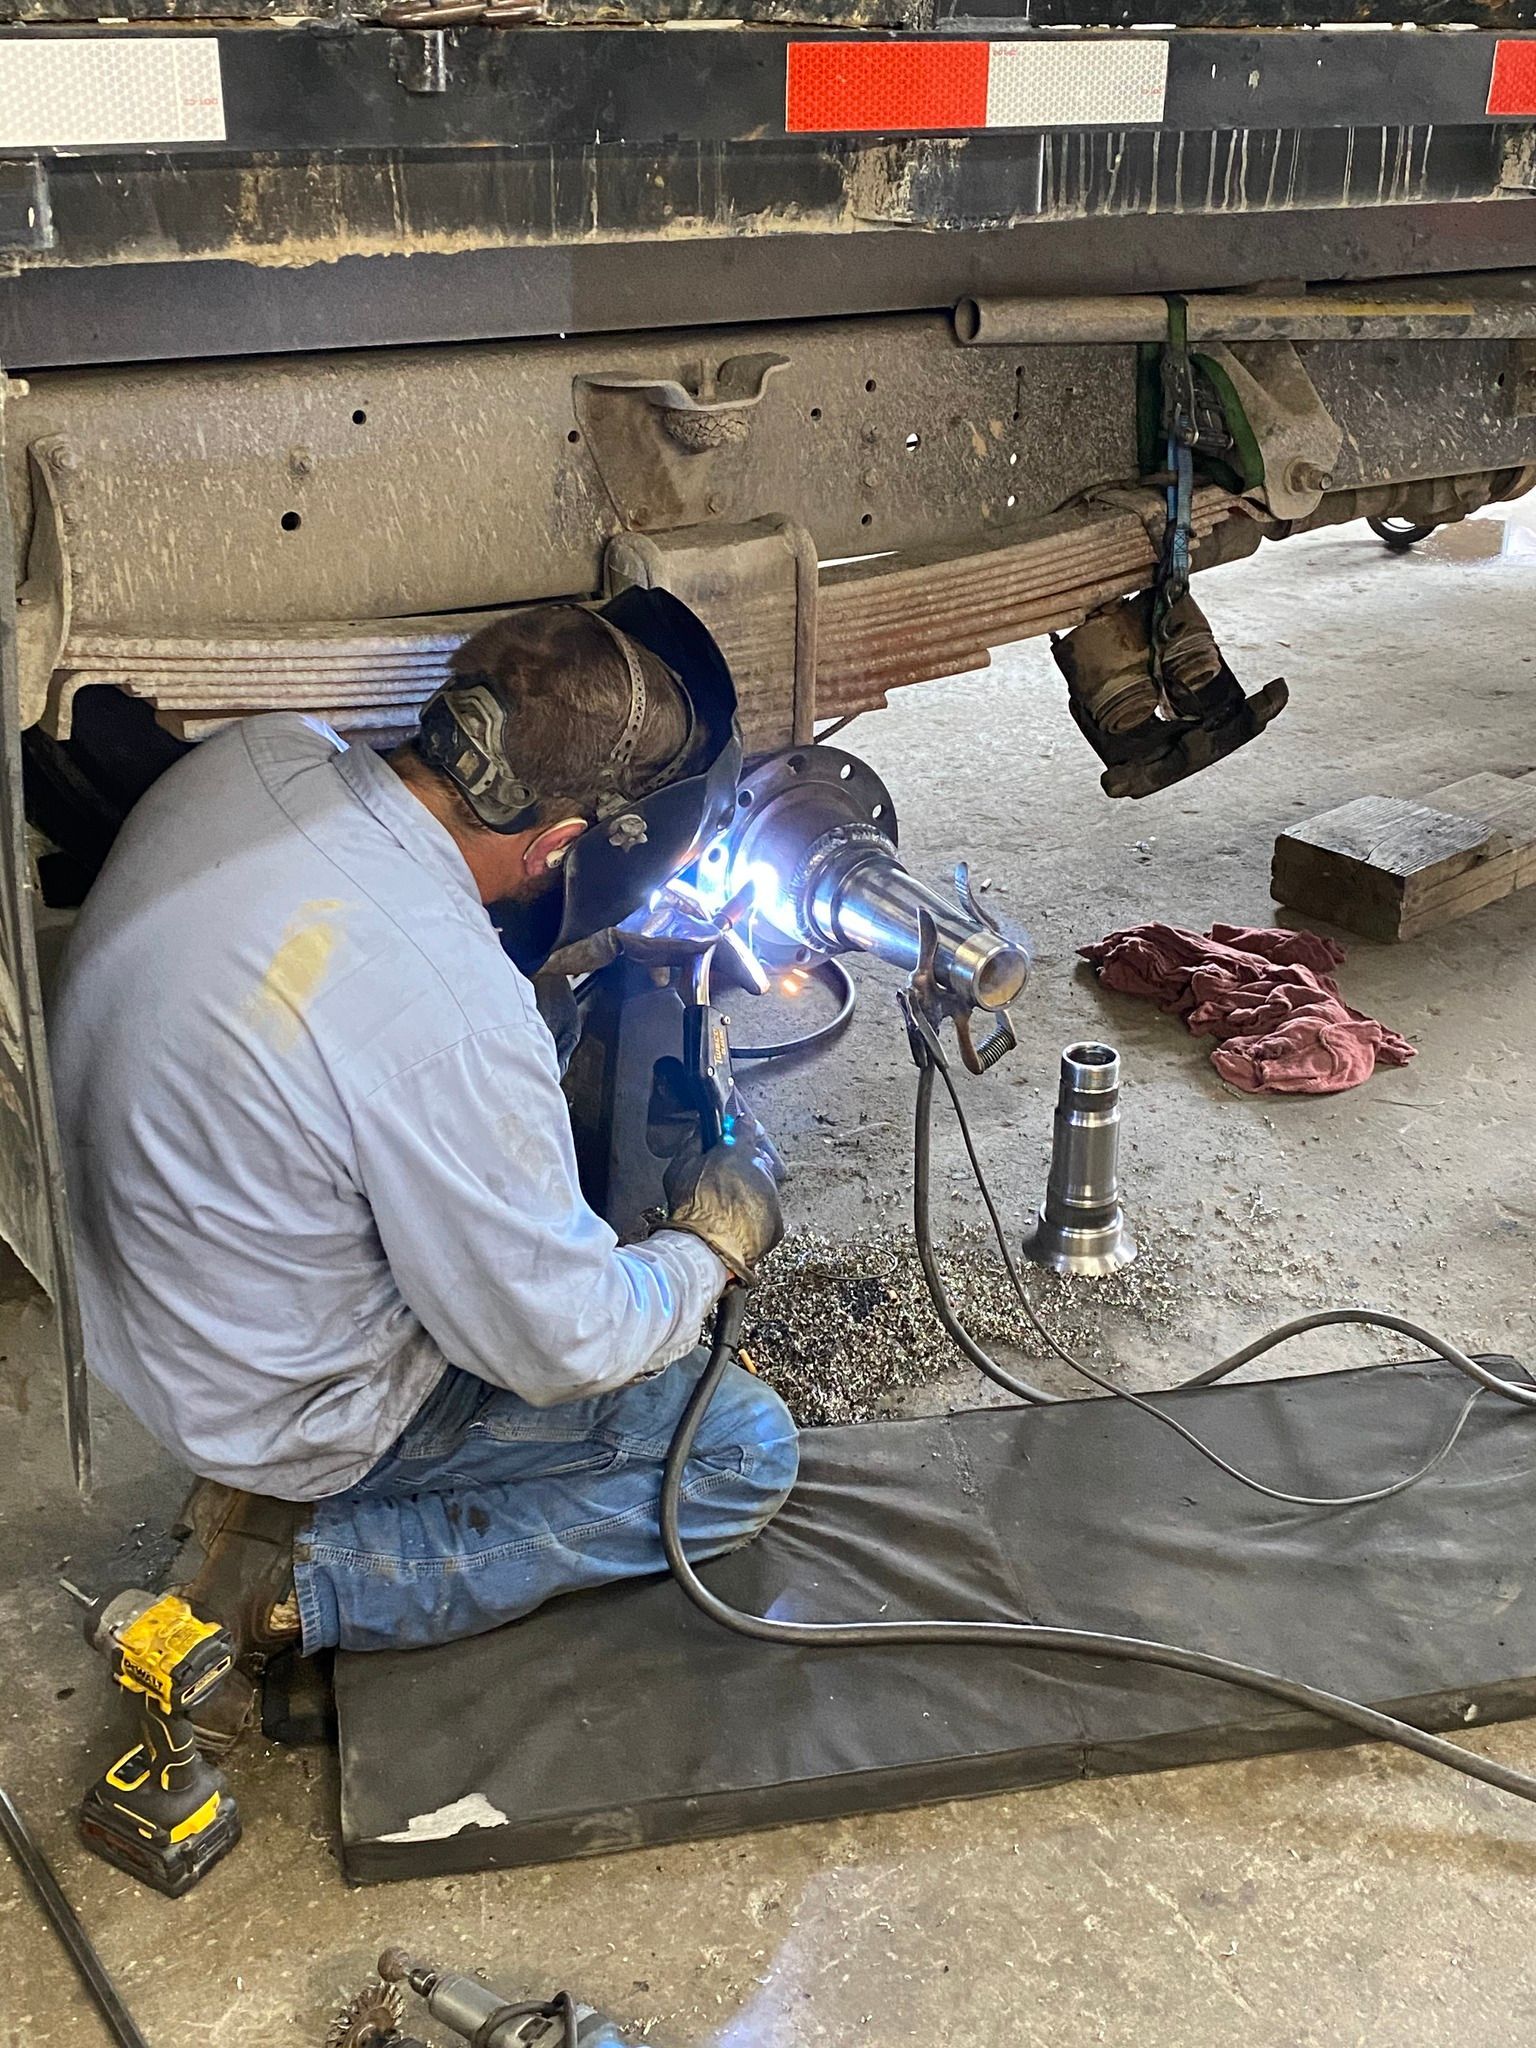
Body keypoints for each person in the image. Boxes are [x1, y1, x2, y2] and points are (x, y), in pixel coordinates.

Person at [49, 589, 796, 1665]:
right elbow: (562, 1345)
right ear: (564, 844)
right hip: (284, 1403)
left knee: (535, 1016)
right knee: (739, 1451)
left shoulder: (264, 752)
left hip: (147, 1297)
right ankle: (305, 1581)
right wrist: (704, 1252)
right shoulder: (447, 1013)